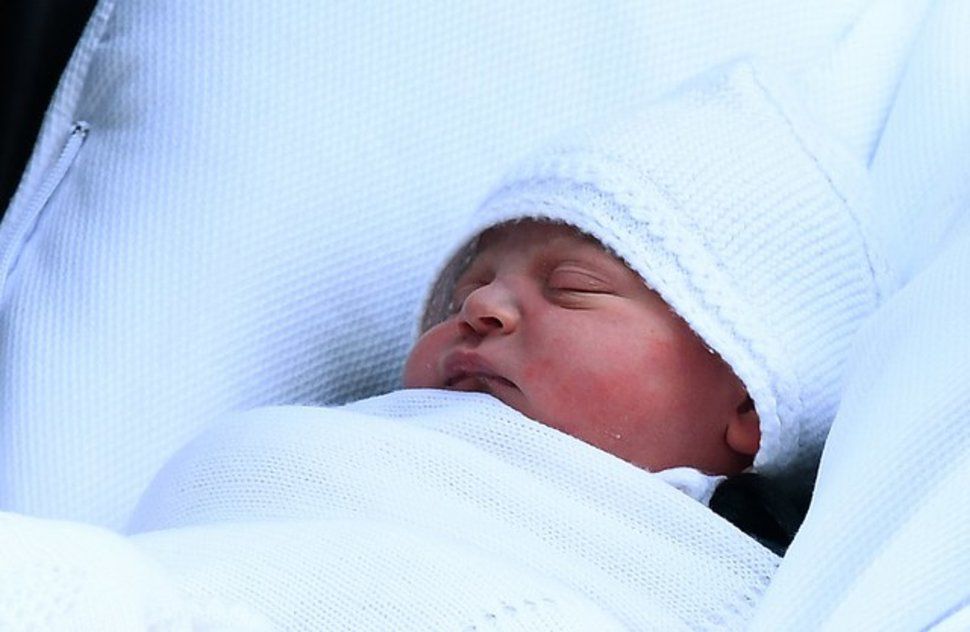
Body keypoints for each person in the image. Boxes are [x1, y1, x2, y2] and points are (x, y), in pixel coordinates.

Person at [401, 59, 893, 553]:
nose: (480, 304)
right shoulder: (384, 433)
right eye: (461, 296)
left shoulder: (703, 567)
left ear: (750, 403)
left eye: (573, 286)